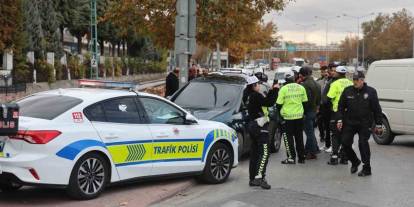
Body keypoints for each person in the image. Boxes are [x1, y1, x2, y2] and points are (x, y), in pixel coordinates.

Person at [337, 71, 383, 176]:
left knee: (362, 144)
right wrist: (340, 120)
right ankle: (354, 161)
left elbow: (377, 109)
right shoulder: (347, 90)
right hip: (350, 122)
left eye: (357, 80)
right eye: (354, 79)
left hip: (365, 123)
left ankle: (367, 168)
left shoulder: (371, 92)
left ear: (363, 80)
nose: (355, 82)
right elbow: (340, 106)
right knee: (345, 143)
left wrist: (379, 124)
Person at [246, 76, 279, 189]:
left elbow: (263, 102)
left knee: (255, 153)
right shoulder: (256, 95)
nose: (259, 86)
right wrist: (275, 90)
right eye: (258, 84)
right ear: (254, 85)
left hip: (252, 126)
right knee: (265, 152)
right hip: (260, 126)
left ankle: (253, 178)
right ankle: (259, 178)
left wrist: (270, 92)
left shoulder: (248, 96)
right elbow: (269, 103)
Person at [276, 70, 308, 164]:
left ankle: (291, 158)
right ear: (294, 78)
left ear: (285, 79)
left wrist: (280, 115)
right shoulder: (301, 87)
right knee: (299, 138)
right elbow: (305, 103)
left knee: (288, 138)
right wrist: (303, 113)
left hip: (287, 118)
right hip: (299, 117)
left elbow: (278, 104)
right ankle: (302, 158)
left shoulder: (283, 89)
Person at [326, 66, 353, 165]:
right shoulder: (350, 83)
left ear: (337, 73)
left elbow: (328, 98)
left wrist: (331, 109)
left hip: (337, 112)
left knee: (335, 134)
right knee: (346, 134)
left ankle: (334, 156)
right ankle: (345, 157)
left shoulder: (335, 84)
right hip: (349, 113)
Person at [299, 67, 321, 160]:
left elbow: (305, 100)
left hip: (307, 111)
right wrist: (317, 107)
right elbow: (319, 98)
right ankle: (314, 148)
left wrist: (302, 111)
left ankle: (312, 152)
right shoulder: (317, 84)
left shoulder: (305, 85)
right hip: (314, 110)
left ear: (301, 75)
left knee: (309, 133)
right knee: (311, 131)